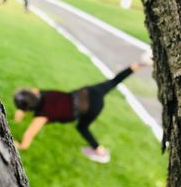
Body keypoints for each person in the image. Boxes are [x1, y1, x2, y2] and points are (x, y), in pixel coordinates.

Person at [13, 63, 145, 163]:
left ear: (28, 108)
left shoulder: (41, 116)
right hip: (87, 93)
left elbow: (28, 137)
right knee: (114, 81)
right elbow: (32, 92)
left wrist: (19, 145)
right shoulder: (40, 93)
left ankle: (101, 152)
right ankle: (138, 65)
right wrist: (21, 111)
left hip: (90, 107)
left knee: (82, 127)